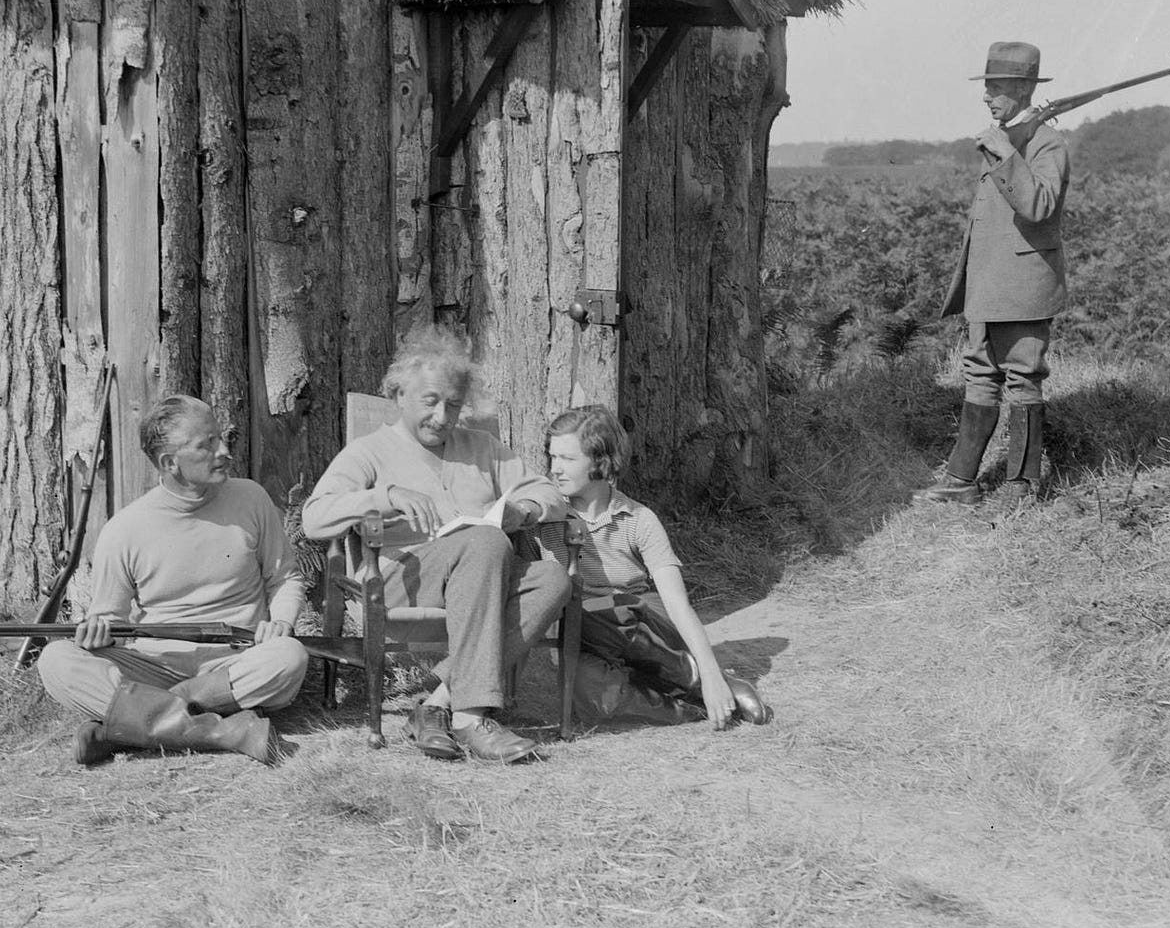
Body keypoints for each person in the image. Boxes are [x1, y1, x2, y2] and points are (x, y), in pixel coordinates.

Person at [301, 325, 572, 764]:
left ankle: (437, 703)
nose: (443, 417)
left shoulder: (482, 448)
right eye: (430, 402)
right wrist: (384, 496)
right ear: (398, 395)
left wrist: (524, 511)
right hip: (403, 578)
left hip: (483, 577)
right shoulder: (368, 453)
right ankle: (471, 718)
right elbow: (314, 518)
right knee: (485, 540)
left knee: (552, 577)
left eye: (454, 405)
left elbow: (551, 495)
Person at [37, 395, 310, 767]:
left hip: (235, 663)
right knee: (56, 660)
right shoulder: (125, 529)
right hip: (154, 667)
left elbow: (285, 578)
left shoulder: (252, 499)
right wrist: (100, 633)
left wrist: (281, 621)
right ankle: (226, 731)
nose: (225, 451)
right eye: (207, 444)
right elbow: (111, 619)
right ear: (170, 463)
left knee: (289, 656)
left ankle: (128, 728)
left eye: (220, 438)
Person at [540, 406, 767, 729]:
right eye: (552, 457)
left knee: (610, 608)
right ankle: (691, 710)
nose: (555, 469)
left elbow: (678, 604)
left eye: (567, 459)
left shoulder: (638, 520)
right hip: (585, 635)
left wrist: (712, 672)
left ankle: (712, 682)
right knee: (588, 691)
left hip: (643, 627)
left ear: (600, 461)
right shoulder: (548, 514)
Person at [921, 41, 1071, 506]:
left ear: (1026, 89)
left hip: (1024, 284)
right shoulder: (1012, 134)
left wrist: (1006, 153)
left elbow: (1038, 206)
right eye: (987, 88)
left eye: (999, 89)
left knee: (1023, 377)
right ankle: (961, 480)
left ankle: (1020, 487)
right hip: (988, 280)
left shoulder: (1046, 142)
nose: (988, 97)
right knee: (980, 373)